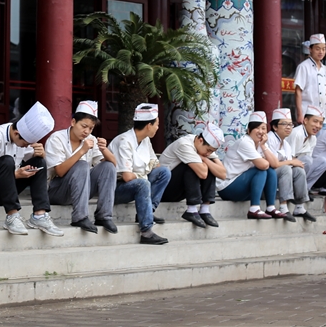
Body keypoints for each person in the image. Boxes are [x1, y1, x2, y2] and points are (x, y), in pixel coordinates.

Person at [0, 102, 63, 236]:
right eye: (25, 144)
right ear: (16, 133)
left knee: (39, 162)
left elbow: (32, 157)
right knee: (7, 161)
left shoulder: (20, 140)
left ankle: (39, 215)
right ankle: (12, 216)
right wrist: (15, 175)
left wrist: (41, 154)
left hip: (4, 192)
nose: (26, 146)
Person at [45, 101, 118, 233]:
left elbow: (113, 164)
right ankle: (80, 217)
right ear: (73, 122)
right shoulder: (56, 138)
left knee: (108, 166)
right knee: (82, 165)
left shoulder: (91, 139)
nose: (86, 131)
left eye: (91, 128)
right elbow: (60, 171)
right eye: (84, 126)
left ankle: (104, 216)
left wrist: (104, 149)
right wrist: (82, 151)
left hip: (81, 191)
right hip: (57, 191)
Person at [110, 104, 172, 245]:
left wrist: (140, 174)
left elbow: (156, 164)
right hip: (116, 189)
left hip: (137, 182)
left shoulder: (145, 140)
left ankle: (148, 212)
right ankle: (146, 232)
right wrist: (143, 174)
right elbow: (127, 176)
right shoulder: (124, 141)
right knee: (143, 183)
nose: (158, 128)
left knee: (164, 172)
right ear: (149, 126)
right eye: (157, 124)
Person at [159, 121, 227, 228]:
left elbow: (223, 174)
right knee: (193, 166)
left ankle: (204, 210)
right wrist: (205, 160)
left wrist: (205, 158)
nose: (209, 153)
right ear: (200, 140)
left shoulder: (205, 147)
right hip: (164, 190)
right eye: (208, 150)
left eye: (211, 152)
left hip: (180, 190)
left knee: (209, 165)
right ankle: (191, 210)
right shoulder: (184, 144)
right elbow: (203, 174)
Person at [217, 111, 281, 219]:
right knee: (261, 170)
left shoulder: (261, 143)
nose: (261, 131)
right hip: (227, 187)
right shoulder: (245, 142)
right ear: (249, 130)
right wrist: (264, 160)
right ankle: (254, 209)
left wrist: (263, 146)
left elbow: (275, 164)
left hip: (242, 186)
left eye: (263, 128)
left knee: (270, 171)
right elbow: (264, 165)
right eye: (257, 128)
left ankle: (271, 207)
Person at [266, 109, 311, 222]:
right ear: (275, 127)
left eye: (290, 124)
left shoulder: (285, 143)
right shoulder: (269, 139)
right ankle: (283, 207)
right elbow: (273, 164)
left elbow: (289, 163)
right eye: (284, 124)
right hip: (267, 175)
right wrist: (291, 162)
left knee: (299, 170)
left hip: (279, 175)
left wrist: (292, 162)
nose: (288, 127)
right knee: (286, 169)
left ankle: (299, 206)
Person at [294, 34, 326, 125]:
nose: (321, 52)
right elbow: (298, 91)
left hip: (322, 116)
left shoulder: (324, 68)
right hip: (308, 115)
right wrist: (300, 114)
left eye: (323, 49)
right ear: (310, 49)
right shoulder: (303, 67)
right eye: (317, 49)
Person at [290, 105, 323, 191]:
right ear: (305, 120)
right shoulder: (297, 133)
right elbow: (289, 158)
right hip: (288, 168)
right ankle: (296, 189)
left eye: (320, 123)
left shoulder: (313, 138)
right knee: (307, 160)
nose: (318, 126)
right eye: (315, 121)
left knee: (323, 162)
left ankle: (305, 189)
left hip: (301, 167)